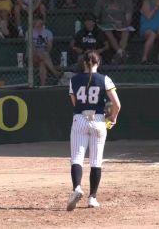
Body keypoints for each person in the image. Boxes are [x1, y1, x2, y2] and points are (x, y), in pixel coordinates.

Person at [66, 51, 121, 211]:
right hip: (98, 119)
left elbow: (74, 102)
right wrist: (113, 117)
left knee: (76, 158)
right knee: (96, 160)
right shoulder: (105, 79)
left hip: (80, 119)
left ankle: (77, 188)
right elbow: (117, 104)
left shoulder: (74, 80)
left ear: (83, 63)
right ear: (98, 62)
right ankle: (92, 198)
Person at [94, 0, 134, 65]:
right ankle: (121, 53)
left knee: (126, 31)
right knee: (108, 32)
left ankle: (119, 54)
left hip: (122, 24)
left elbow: (128, 18)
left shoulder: (126, 0)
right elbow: (96, 15)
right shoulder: (102, 0)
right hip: (106, 24)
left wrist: (123, 23)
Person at [27, 16, 62, 86]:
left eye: (39, 20)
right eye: (36, 20)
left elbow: (49, 46)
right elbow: (32, 47)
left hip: (44, 57)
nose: (37, 22)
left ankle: (42, 86)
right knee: (42, 55)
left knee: (42, 63)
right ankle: (55, 73)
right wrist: (40, 54)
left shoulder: (48, 32)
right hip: (32, 57)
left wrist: (44, 53)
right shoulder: (29, 32)